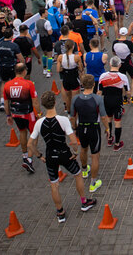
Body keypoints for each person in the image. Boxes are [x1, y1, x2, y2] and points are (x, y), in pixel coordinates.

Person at [28, 90, 96, 223]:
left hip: (50, 155)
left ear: (43, 105)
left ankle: (60, 212)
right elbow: (74, 141)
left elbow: (30, 144)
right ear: (55, 102)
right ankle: (84, 202)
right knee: (77, 174)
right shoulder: (63, 120)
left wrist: (39, 156)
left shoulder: (39, 123)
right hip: (64, 154)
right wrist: (75, 153)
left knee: (54, 184)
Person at [70, 74, 108, 193]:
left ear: (82, 85)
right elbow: (103, 117)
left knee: (83, 149)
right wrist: (107, 129)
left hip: (81, 127)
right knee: (95, 155)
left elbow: (72, 116)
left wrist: (74, 128)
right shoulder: (97, 99)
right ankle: (93, 183)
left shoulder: (75, 99)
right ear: (93, 85)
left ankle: (85, 169)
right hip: (93, 128)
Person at [2, 63, 39, 173]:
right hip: (28, 113)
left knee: (22, 132)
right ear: (24, 71)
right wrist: (40, 114)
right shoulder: (28, 84)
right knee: (34, 135)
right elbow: (35, 101)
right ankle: (29, 160)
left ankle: (25, 155)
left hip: (16, 113)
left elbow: (6, 102)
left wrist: (8, 115)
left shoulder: (7, 85)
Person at [98, 57, 129, 150]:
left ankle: (110, 138)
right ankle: (117, 144)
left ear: (110, 64)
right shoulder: (123, 77)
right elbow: (127, 91)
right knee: (117, 122)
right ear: (119, 65)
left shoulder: (103, 76)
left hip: (106, 100)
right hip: (117, 101)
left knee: (109, 120)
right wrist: (127, 98)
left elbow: (99, 91)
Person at [56, 40, 83, 111]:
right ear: (73, 47)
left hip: (65, 78)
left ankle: (69, 112)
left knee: (68, 98)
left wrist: (64, 69)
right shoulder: (76, 57)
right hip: (74, 77)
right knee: (76, 98)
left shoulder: (60, 57)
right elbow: (81, 69)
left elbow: (58, 70)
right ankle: (76, 114)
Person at [36, 9, 55, 78]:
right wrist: (51, 30)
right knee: (50, 55)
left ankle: (44, 68)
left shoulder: (37, 22)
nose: (47, 13)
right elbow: (50, 32)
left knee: (44, 54)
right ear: (43, 14)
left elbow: (36, 31)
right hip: (47, 38)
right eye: (46, 12)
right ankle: (48, 71)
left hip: (41, 38)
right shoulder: (47, 22)